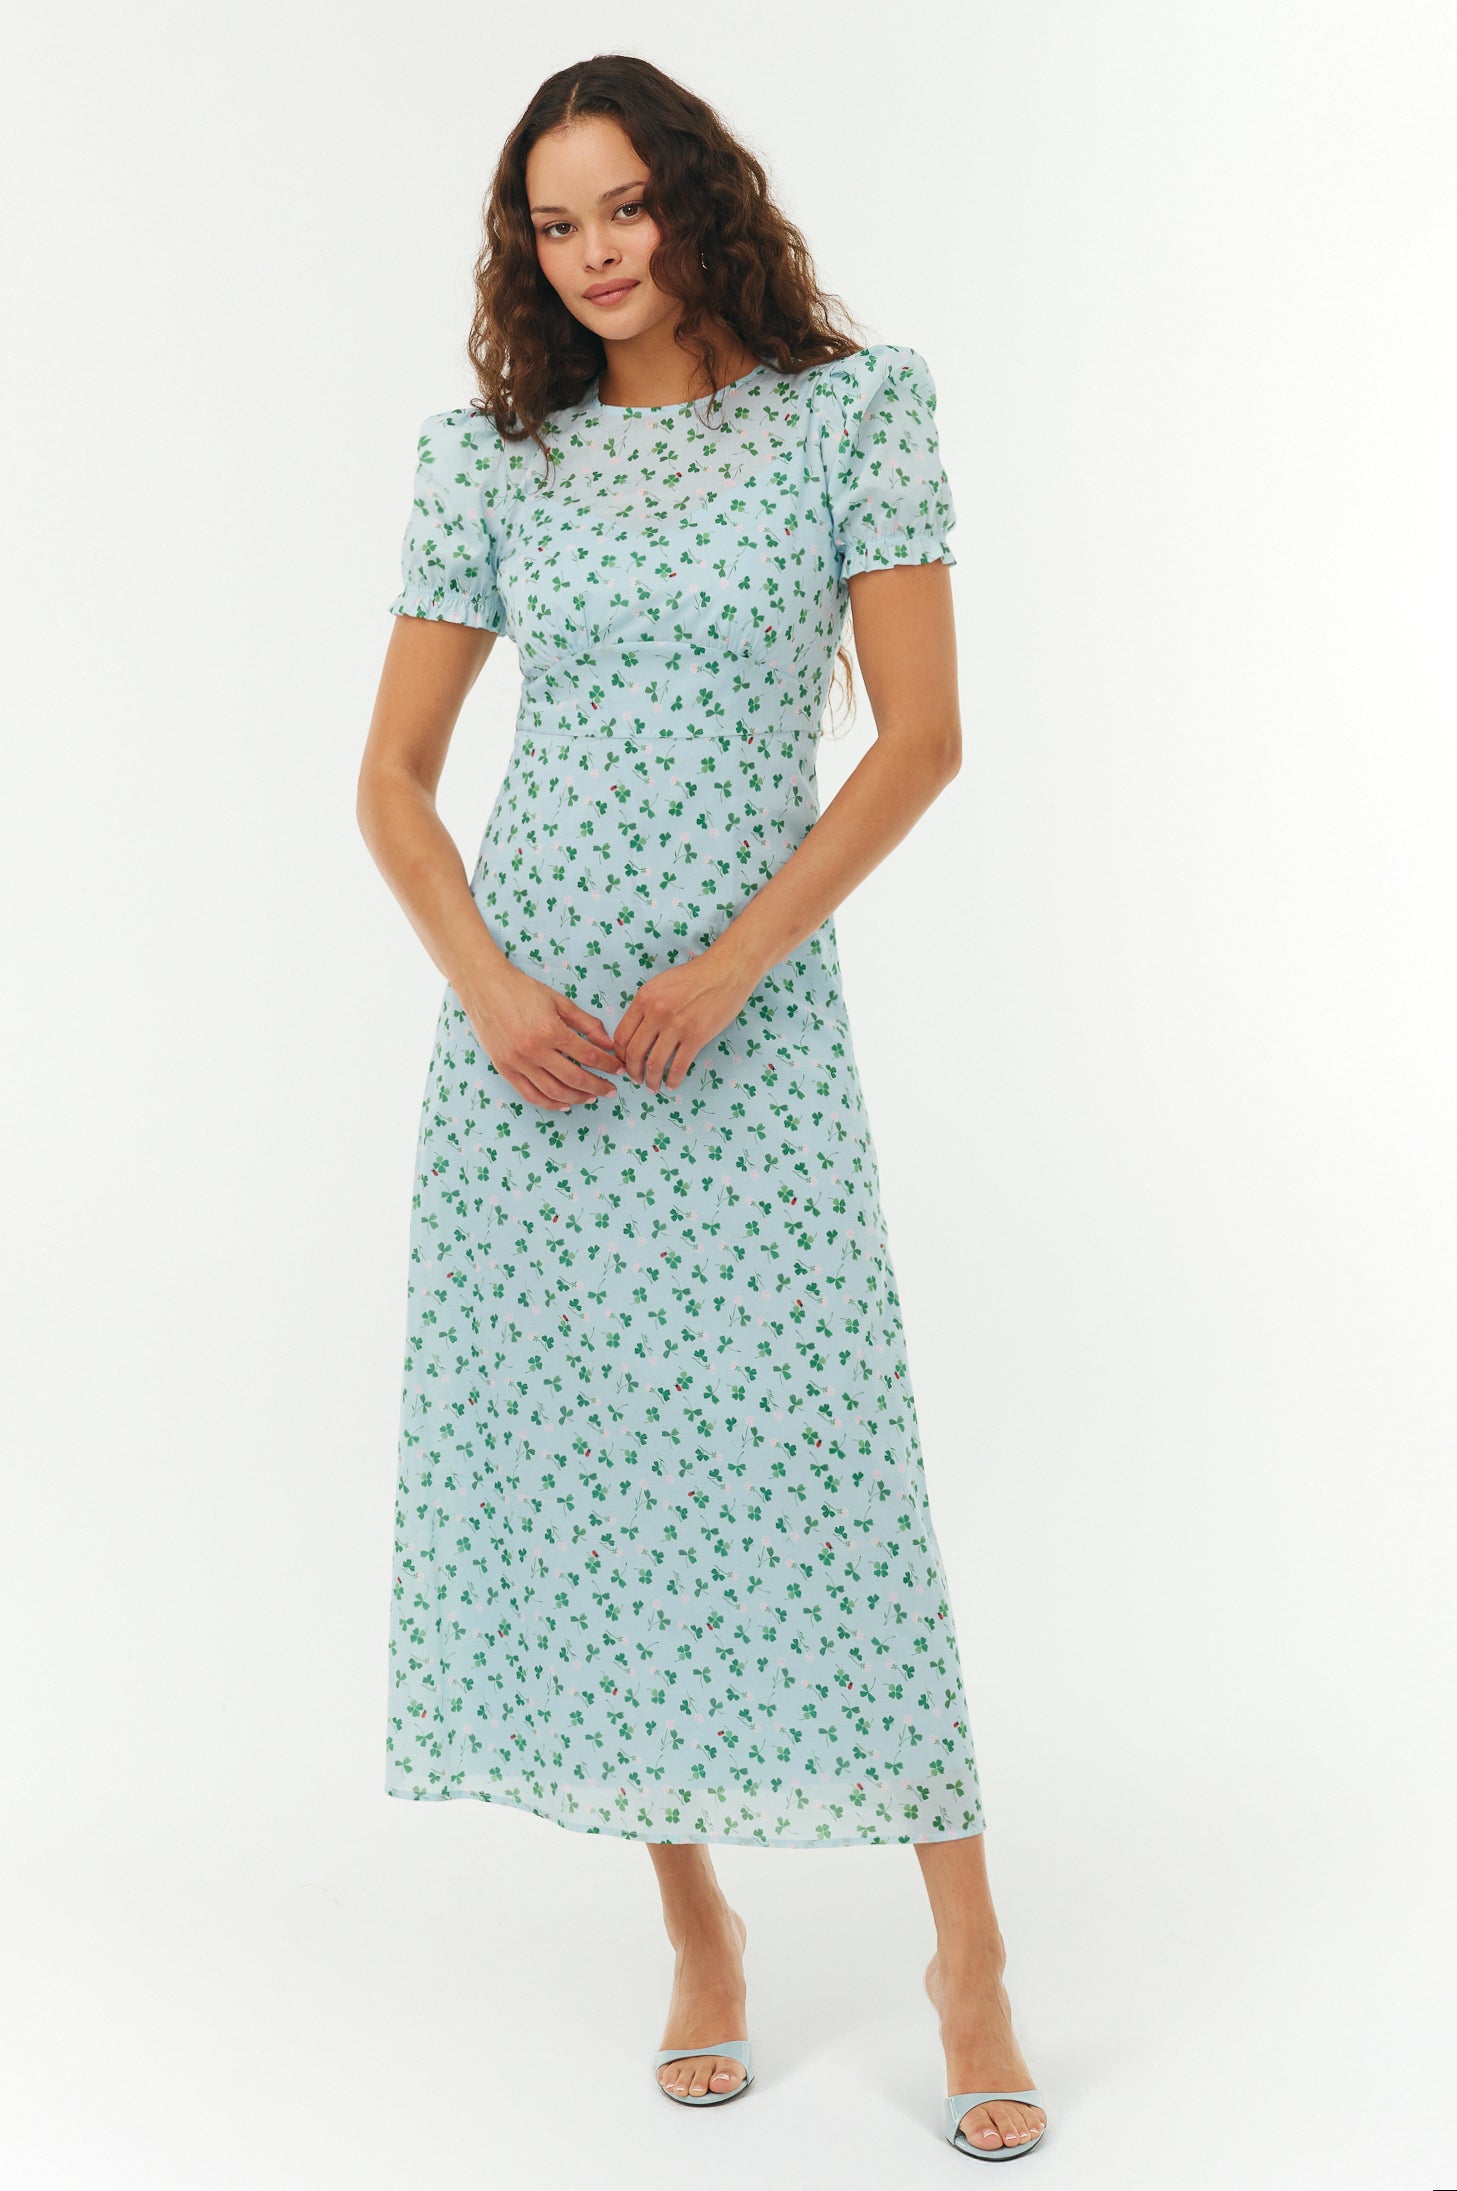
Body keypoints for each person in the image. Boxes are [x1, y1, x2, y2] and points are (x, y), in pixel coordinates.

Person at [356, 52, 1048, 2163]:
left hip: (749, 1036)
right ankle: (698, 1929)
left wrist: (741, 961)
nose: (597, 255)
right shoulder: (493, 458)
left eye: (626, 207)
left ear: (700, 197)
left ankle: (971, 1954)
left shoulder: (858, 410)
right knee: (611, 1491)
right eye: (557, 226)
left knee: (831, 1470)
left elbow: (921, 741)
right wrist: (489, 992)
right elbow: (387, 783)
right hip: (538, 1059)